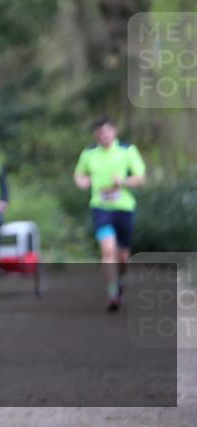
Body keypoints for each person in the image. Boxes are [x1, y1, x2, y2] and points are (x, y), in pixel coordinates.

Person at [74, 116, 146, 312]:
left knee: (122, 255)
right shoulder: (89, 153)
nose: (103, 135)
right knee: (107, 251)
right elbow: (79, 173)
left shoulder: (127, 150)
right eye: (99, 133)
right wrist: (82, 181)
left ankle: (121, 282)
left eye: (106, 131)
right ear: (96, 135)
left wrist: (123, 182)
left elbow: (140, 177)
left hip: (123, 207)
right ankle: (112, 293)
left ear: (114, 131)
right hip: (100, 207)